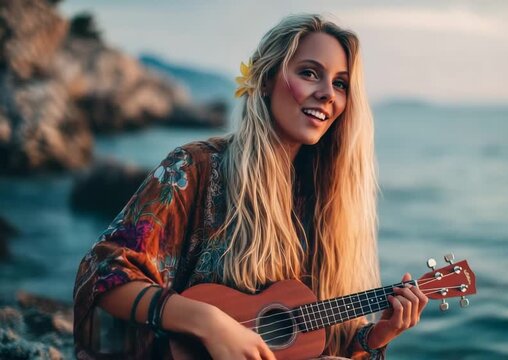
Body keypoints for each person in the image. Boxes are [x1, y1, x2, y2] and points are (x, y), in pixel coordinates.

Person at [73, 13, 428, 359]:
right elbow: (102, 273)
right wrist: (209, 322)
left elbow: (313, 342)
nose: (327, 94)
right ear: (266, 79)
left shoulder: (326, 200)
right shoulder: (195, 167)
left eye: (340, 83)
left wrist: (376, 336)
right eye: (309, 73)